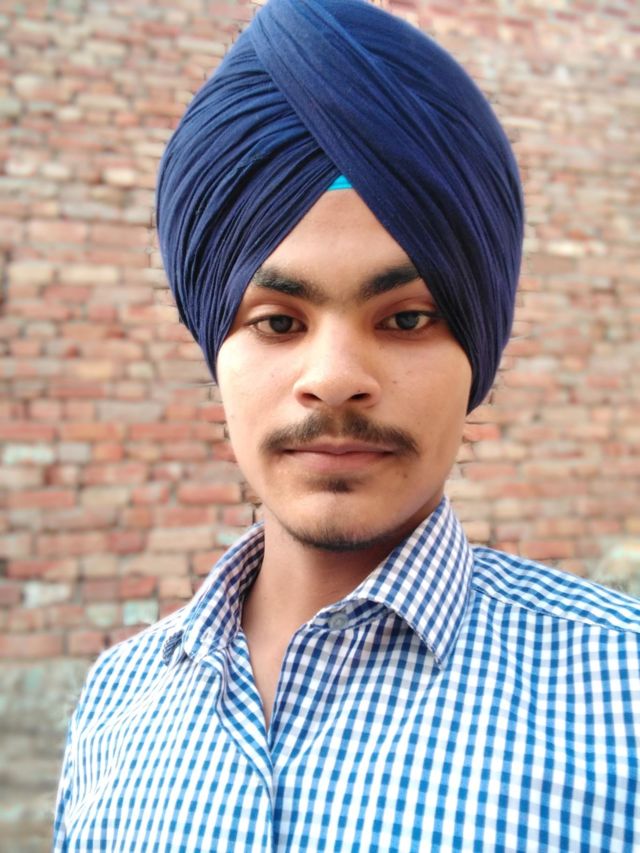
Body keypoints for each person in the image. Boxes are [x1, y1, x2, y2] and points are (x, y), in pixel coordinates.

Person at [53, 0, 640, 850]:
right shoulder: (114, 705)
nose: (333, 378)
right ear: (216, 349)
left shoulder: (620, 699)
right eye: (276, 321)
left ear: (477, 349)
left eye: (406, 319)